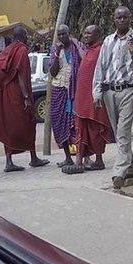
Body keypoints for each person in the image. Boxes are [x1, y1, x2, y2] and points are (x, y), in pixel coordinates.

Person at [92, 5, 133, 191]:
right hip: (109, 92)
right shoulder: (107, 41)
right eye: (118, 17)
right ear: (114, 19)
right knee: (118, 132)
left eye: (125, 17)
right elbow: (100, 67)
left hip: (129, 91)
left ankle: (119, 172)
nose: (122, 20)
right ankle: (131, 168)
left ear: (130, 19)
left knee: (123, 131)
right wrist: (97, 92)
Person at [0, 27, 49, 172]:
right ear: (23, 36)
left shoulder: (9, 49)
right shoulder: (22, 50)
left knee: (9, 125)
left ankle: (9, 162)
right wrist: (26, 97)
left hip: (7, 93)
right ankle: (34, 158)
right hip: (18, 94)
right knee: (30, 122)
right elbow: (21, 75)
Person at [66, 25, 113, 174]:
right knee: (81, 127)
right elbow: (82, 54)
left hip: (94, 98)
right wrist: (74, 41)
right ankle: (79, 160)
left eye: (88, 33)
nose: (85, 35)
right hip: (82, 98)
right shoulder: (89, 51)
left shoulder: (100, 51)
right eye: (84, 32)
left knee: (96, 127)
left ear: (97, 35)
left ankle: (98, 160)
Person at [48, 24, 83, 167]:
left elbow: (84, 60)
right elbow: (53, 72)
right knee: (58, 122)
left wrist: (76, 44)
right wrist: (56, 54)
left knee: (75, 124)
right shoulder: (55, 49)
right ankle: (67, 157)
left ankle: (82, 156)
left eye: (64, 34)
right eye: (59, 34)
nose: (62, 37)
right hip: (58, 90)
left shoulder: (76, 47)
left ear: (69, 33)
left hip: (74, 90)